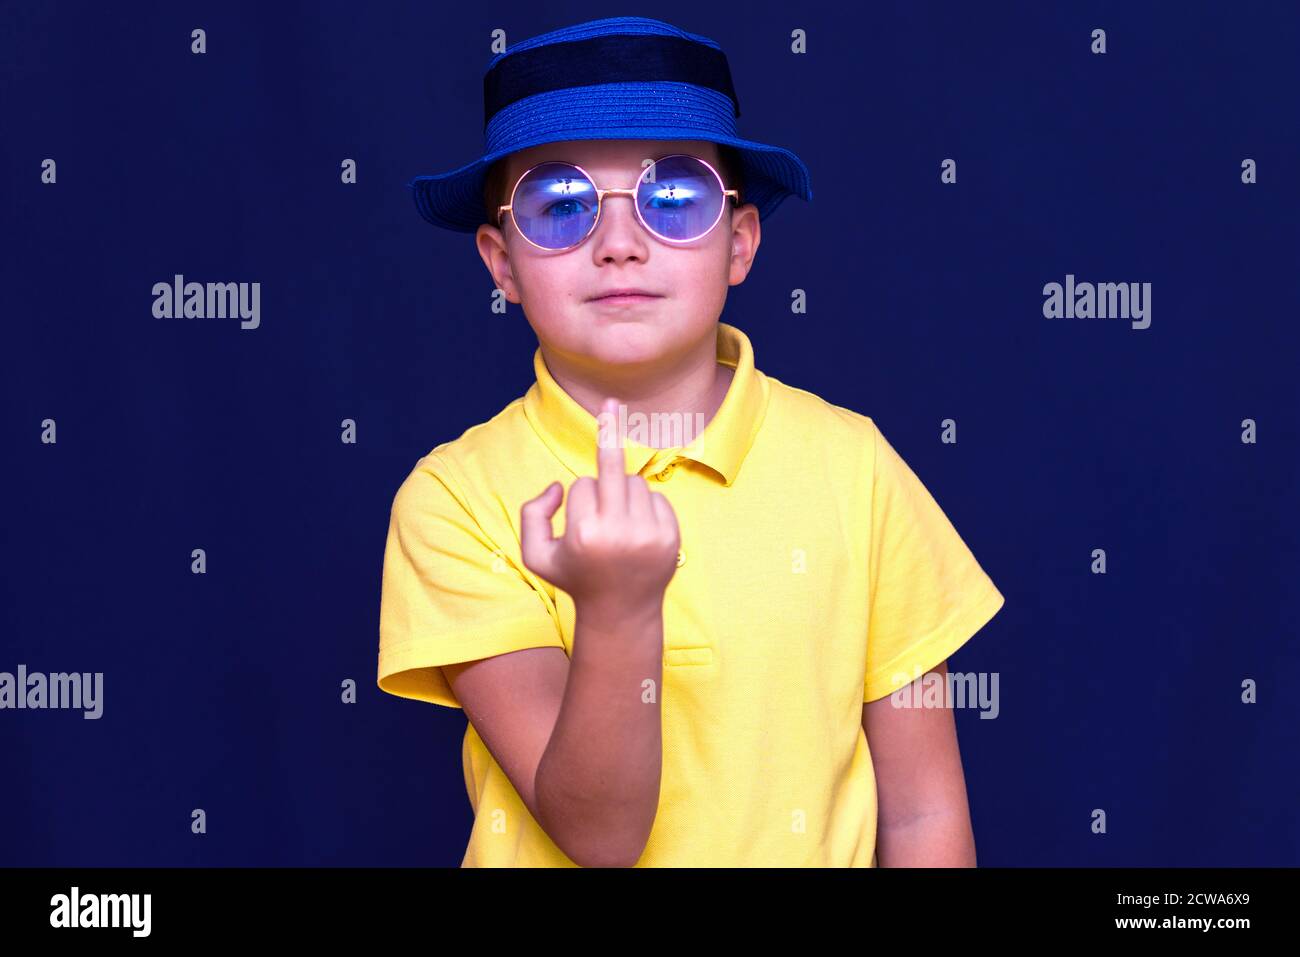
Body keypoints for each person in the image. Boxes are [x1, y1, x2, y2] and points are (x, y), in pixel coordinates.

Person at [377, 16, 1005, 867]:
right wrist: (618, 608)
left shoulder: (854, 467)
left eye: (675, 196)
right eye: (559, 206)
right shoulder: (455, 499)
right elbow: (599, 835)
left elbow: (925, 814)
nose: (620, 243)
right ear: (502, 263)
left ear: (739, 242)